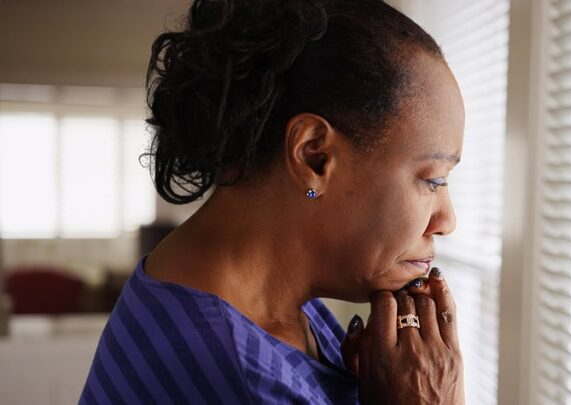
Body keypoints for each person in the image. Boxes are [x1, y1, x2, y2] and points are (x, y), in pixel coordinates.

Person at [80, 0, 465, 403]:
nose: (446, 220)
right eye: (433, 180)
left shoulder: (238, 290)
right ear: (314, 156)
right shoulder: (245, 380)